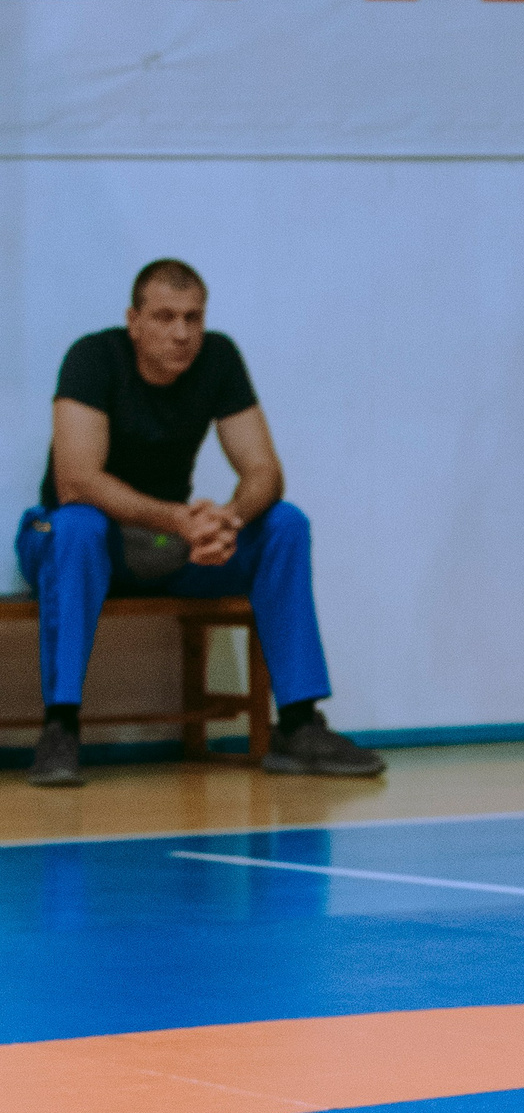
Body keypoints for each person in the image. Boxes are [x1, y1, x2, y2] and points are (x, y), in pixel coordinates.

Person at [15, 260, 386, 786]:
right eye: (165, 317)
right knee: (77, 525)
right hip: (73, 540)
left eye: (193, 318)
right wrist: (178, 519)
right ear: (134, 320)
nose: (182, 333)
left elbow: (264, 471)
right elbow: (76, 480)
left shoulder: (219, 358)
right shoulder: (93, 358)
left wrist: (229, 521)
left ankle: (299, 727)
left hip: (167, 542)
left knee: (283, 523)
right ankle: (60, 730)